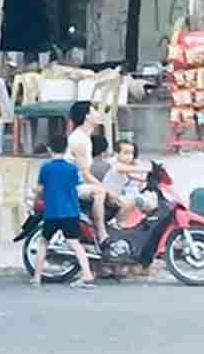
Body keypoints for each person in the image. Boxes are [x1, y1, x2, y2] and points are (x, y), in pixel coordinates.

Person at [32, 133, 93, 287]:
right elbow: (76, 185)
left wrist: (37, 192)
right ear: (66, 148)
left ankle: (37, 277)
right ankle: (87, 274)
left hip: (52, 212)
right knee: (75, 244)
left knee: (43, 242)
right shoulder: (71, 168)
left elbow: (40, 188)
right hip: (71, 212)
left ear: (49, 148)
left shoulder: (46, 168)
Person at [65, 102, 109, 244]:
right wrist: (105, 188)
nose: (98, 113)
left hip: (78, 182)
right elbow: (85, 174)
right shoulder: (79, 140)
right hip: (71, 185)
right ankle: (101, 232)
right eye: (94, 111)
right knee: (100, 192)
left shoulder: (85, 138)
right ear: (86, 117)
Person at [102, 138, 154, 227]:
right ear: (116, 154)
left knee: (144, 200)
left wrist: (148, 179)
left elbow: (133, 176)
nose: (129, 156)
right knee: (131, 202)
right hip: (109, 196)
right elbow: (135, 169)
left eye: (131, 153)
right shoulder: (118, 166)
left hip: (116, 195)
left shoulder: (124, 167)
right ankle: (118, 223)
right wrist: (151, 168)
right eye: (125, 153)